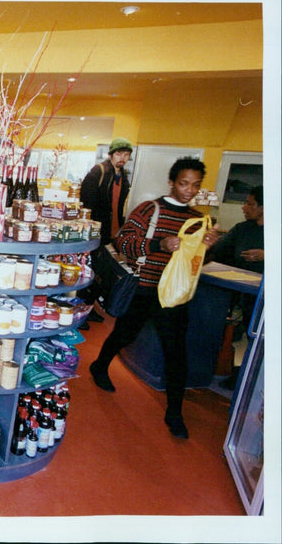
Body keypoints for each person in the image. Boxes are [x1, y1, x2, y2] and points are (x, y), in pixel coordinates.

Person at [88, 157, 220, 439]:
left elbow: (196, 261)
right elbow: (122, 242)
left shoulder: (196, 219)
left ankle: (174, 413)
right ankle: (99, 365)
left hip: (174, 294)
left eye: (195, 185)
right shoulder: (151, 209)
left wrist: (207, 248)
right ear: (172, 182)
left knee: (176, 354)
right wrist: (158, 244)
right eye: (184, 183)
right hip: (144, 287)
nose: (189, 190)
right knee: (125, 333)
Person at [205, 185, 264, 389]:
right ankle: (243, 377)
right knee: (250, 337)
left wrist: (268, 255)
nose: (244, 207)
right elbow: (219, 249)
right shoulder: (242, 229)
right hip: (246, 298)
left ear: (263, 208)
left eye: (249, 203)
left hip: (267, 298)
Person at [79, 137, 133, 324]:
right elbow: (86, 201)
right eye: (119, 153)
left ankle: (89, 307)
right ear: (111, 154)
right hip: (96, 232)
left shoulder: (123, 177)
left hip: (112, 233)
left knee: (101, 272)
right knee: (89, 270)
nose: (123, 158)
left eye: (126, 155)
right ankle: (81, 311)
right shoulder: (99, 171)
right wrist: (92, 230)